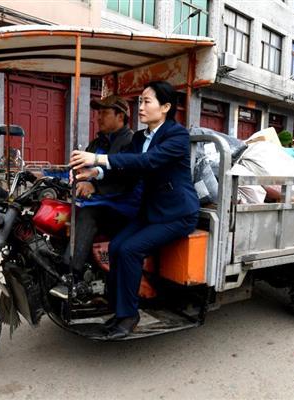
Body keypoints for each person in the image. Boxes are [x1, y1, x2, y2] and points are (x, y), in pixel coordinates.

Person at [69, 81, 199, 339]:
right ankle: (119, 310)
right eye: (140, 101)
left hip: (177, 214)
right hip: (151, 212)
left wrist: (97, 158)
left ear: (165, 107)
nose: (140, 107)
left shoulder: (177, 136)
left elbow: (147, 162)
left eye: (147, 101)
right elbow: (124, 165)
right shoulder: (139, 138)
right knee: (115, 247)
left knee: (129, 249)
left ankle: (129, 316)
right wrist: (94, 172)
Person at [51, 95, 138, 299]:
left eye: (104, 113)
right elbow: (77, 170)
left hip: (122, 207)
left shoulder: (130, 142)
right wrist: (46, 174)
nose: (98, 117)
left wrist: (94, 186)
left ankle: (72, 276)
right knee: (57, 211)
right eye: (98, 113)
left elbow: (126, 178)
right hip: (98, 201)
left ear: (120, 116)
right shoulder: (97, 142)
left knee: (89, 214)